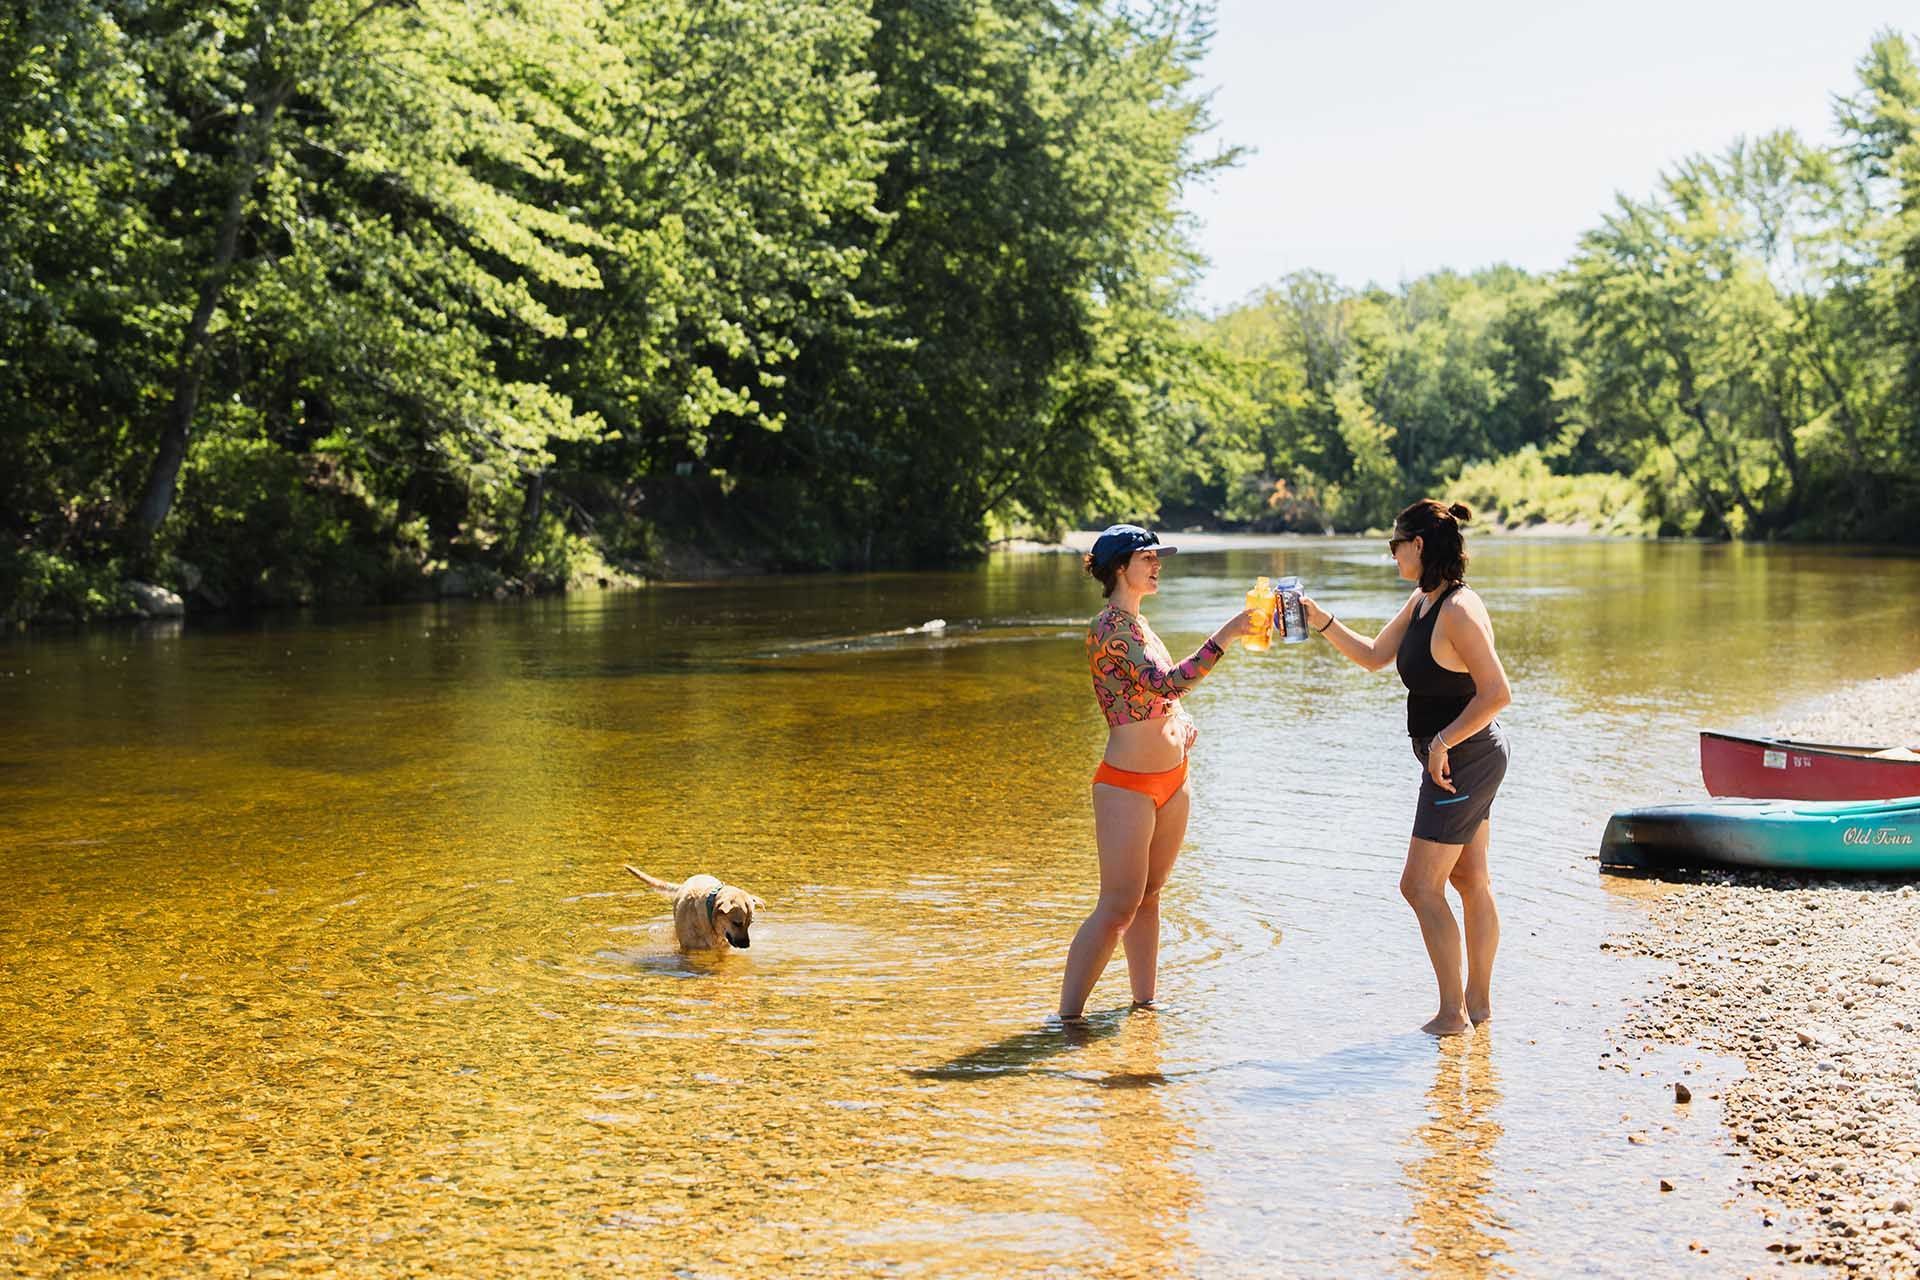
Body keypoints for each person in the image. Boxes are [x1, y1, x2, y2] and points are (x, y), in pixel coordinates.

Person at [1297, 501, 1512, 1036]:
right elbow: (1373, 656)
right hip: (1461, 757)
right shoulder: (1424, 601)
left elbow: (1497, 693)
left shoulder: (1458, 610)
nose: (1390, 553)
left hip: (1462, 760)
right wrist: (1317, 618)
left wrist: (1440, 742)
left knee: (1418, 886)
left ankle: (1452, 1014)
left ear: (1417, 545)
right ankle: (1478, 1007)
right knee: (1468, 877)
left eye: (1394, 543)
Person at [1059, 525, 1253, 1022]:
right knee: (1118, 907)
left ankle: (1145, 1007)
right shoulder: (1109, 626)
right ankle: (1066, 1022)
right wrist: (1228, 633)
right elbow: (1168, 681)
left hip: (1173, 779)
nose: (1157, 565)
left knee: (1149, 896)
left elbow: (1156, 695)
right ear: (1121, 567)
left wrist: (1181, 719)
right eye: (1148, 558)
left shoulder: (1140, 624)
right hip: (1127, 785)